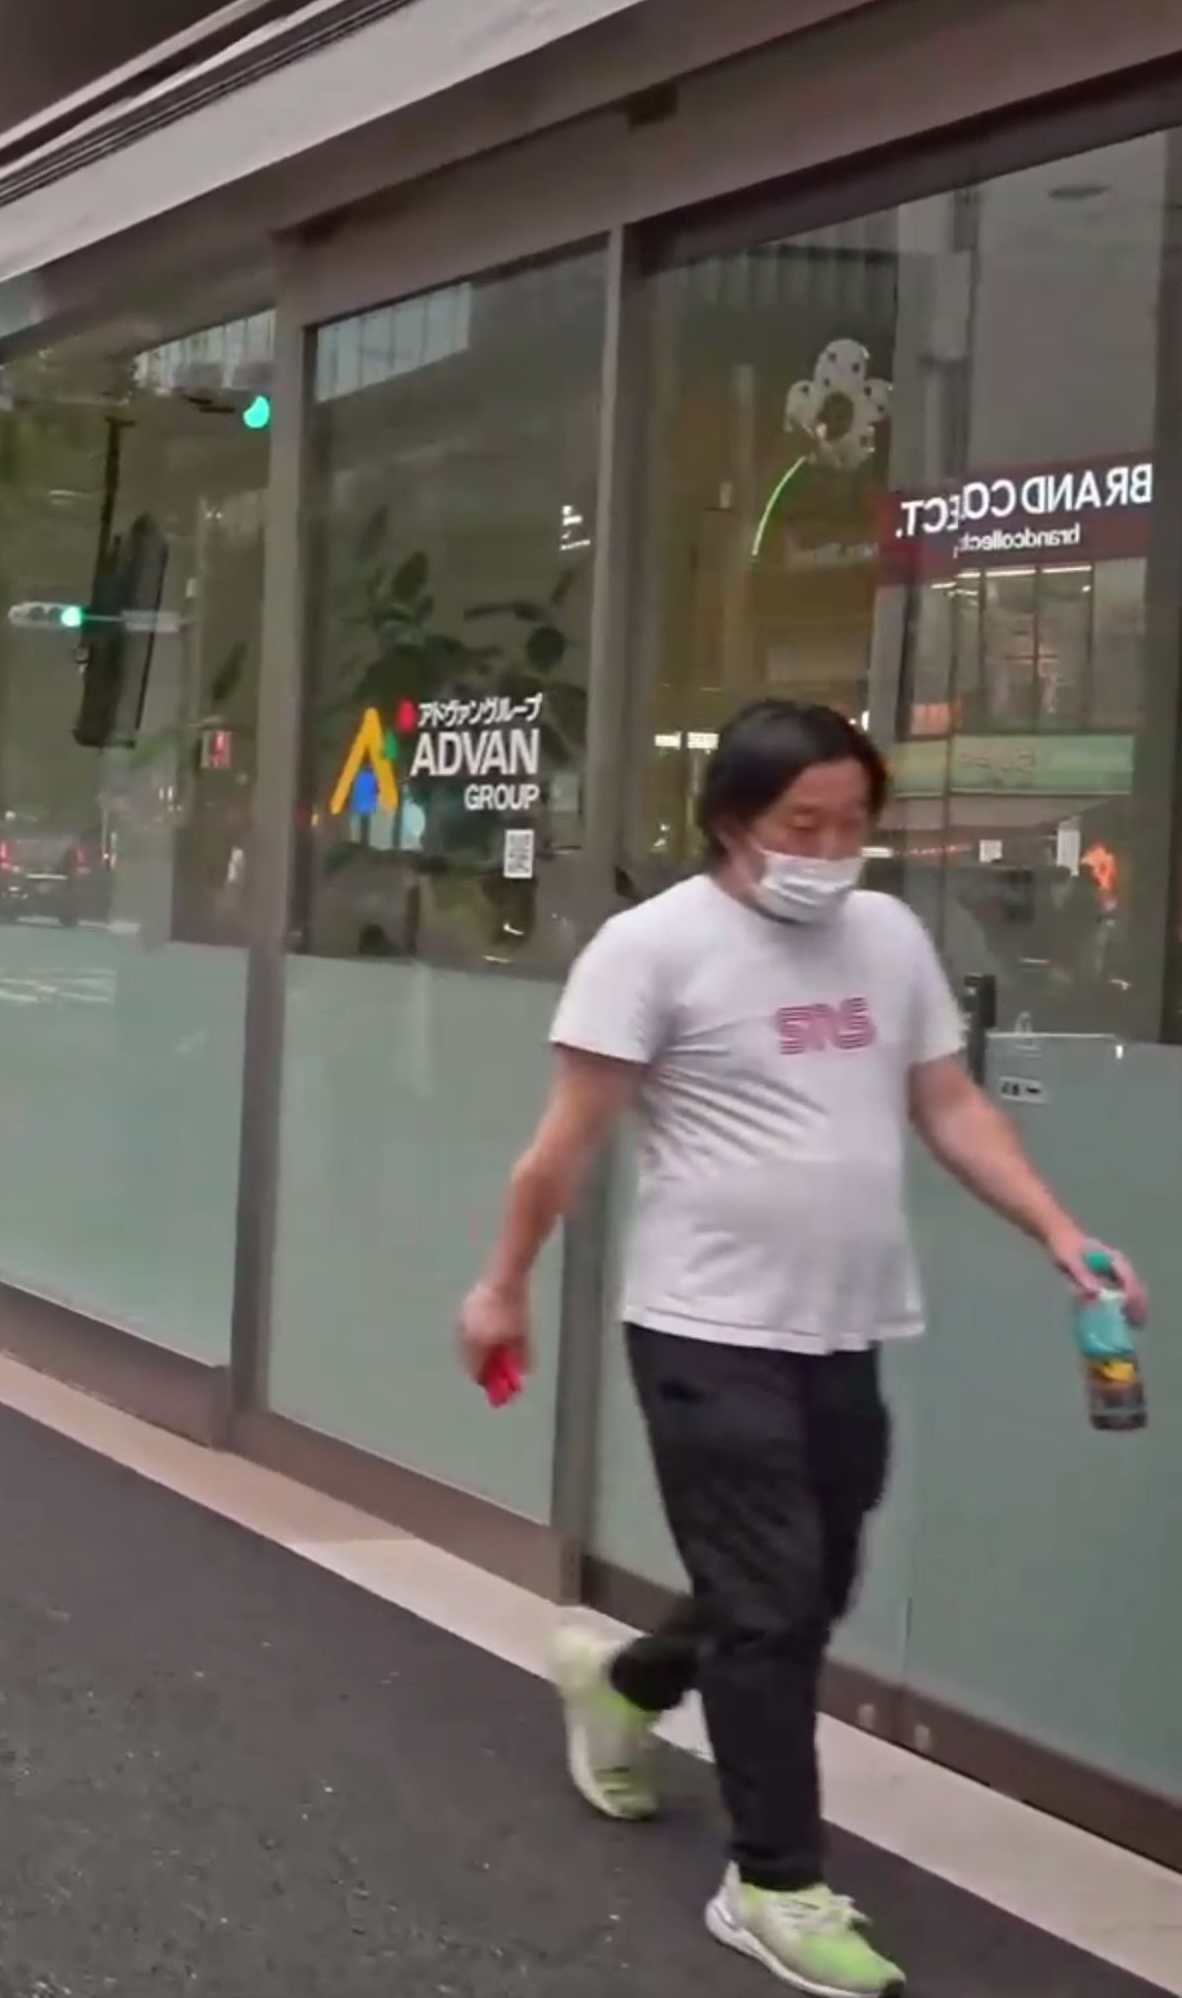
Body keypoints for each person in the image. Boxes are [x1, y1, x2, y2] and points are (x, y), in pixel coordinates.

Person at [457, 699, 1139, 1998]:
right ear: (732, 824)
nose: (829, 848)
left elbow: (945, 1101)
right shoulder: (649, 949)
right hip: (705, 1325)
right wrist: (503, 1287)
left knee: (806, 1584)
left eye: (851, 824)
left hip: (849, 1321)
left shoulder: (886, 938)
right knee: (774, 1605)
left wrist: (1061, 1231)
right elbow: (563, 1145)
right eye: (799, 826)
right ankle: (773, 1883)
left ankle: (628, 1681)